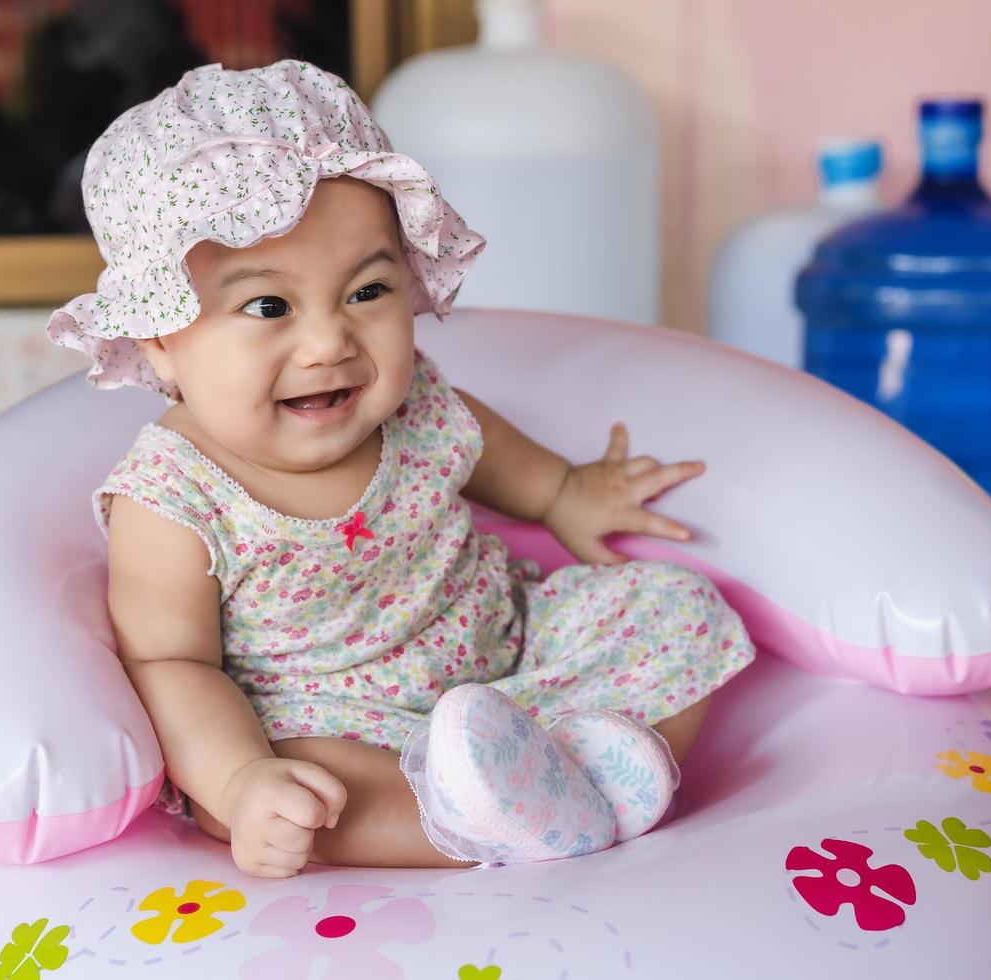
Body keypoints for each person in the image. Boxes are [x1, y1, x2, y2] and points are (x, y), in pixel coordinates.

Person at [47, 60, 754, 879]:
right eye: (269, 307)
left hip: (510, 653)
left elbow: (496, 454)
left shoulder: (410, 401)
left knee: (677, 607)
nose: (330, 343)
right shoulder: (173, 498)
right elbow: (174, 665)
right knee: (299, 792)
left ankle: (597, 774)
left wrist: (568, 492)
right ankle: (502, 824)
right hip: (340, 718)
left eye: (368, 290)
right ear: (159, 336)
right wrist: (243, 782)